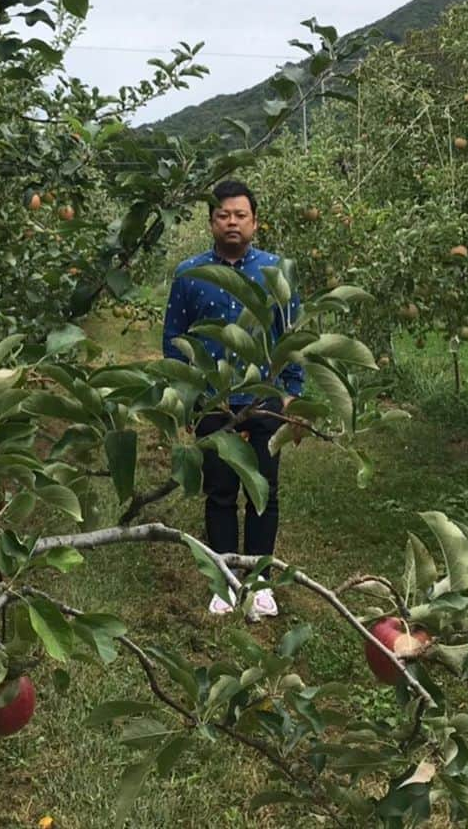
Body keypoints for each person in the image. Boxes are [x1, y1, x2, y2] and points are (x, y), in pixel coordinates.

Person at [162, 179, 304, 618]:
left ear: (255, 222)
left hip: (264, 398)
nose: (232, 222)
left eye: (240, 215)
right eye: (223, 215)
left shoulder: (275, 272)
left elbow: (291, 337)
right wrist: (184, 398)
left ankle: (259, 582)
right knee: (220, 490)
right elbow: (174, 340)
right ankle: (225, 579)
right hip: (212, 402)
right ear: (211, 222)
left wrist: (292, 394)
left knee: (264, 491)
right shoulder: (190, 274)